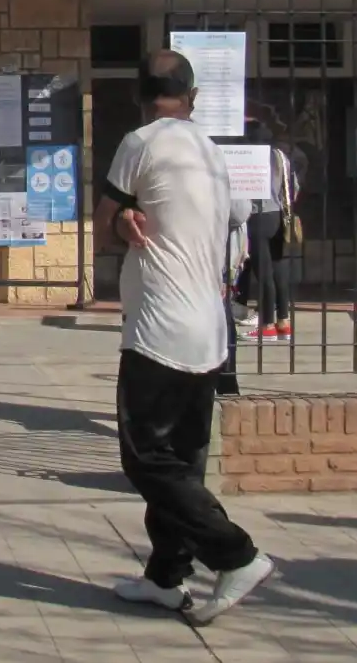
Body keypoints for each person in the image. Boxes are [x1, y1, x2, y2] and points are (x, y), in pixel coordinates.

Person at [94, 49, 274, 626]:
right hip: (210, 331)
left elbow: (103, 219)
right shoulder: (210, 153)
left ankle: (236, 555)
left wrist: (120, 221)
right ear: (192, 98)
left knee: (146, 458)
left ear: (141, 96)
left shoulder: (140, 142)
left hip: (159, 331)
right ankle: (166, 578)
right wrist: (129, 218)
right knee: (184, 462)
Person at [237, 121, 296, 344]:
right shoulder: (280, 156)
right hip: (279, 216)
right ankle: (283, 321)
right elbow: (293, 187)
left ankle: (267, 325)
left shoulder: (248, 157)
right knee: (279, 270)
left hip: (258, 216)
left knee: (263, 273)